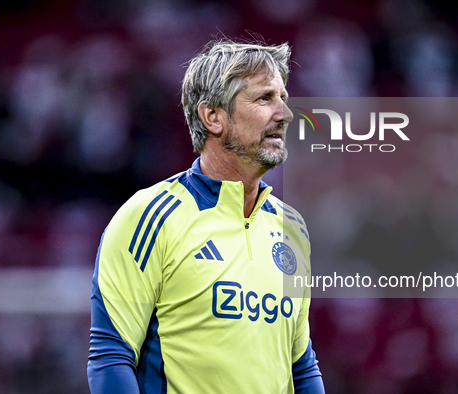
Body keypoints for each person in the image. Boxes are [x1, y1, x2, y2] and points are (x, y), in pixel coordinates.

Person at [87, 39, 324, 393]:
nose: (285, 114)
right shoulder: (149, 216)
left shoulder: (292, 228)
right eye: (264, 99)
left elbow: (301, 367)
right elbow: (111, 354)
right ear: (212, 116)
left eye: (283, 99)